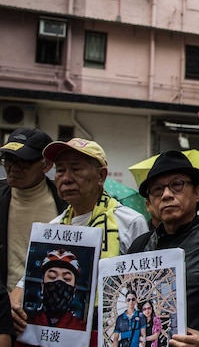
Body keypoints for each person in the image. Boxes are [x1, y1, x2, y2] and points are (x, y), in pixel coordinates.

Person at [11, 138, 149, 345]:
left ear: (101, 175)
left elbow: (144, 286)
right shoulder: (53, 228)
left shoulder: (129, 222)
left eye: (75, 170)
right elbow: (27, 281)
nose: (65, 178)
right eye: (60, 170)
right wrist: (15, 303)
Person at [130, 150, 199, 347]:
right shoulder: (139, 247)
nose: (166, 195)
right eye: (157, 190)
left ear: (197, 193)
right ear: (149, 204)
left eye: (176, 185)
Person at [0, 128, 67, 293]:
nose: (13, 168)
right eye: (8, 160)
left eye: (23, 162)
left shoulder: (66, 204)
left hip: (45, 304)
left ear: (46, 165)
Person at [25, 249, 87, 331]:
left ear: (74, 290)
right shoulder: (26, 324)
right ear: (42, 286)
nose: (59, 283)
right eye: (52, 276)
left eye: (66, 278)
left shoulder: (82, 330)